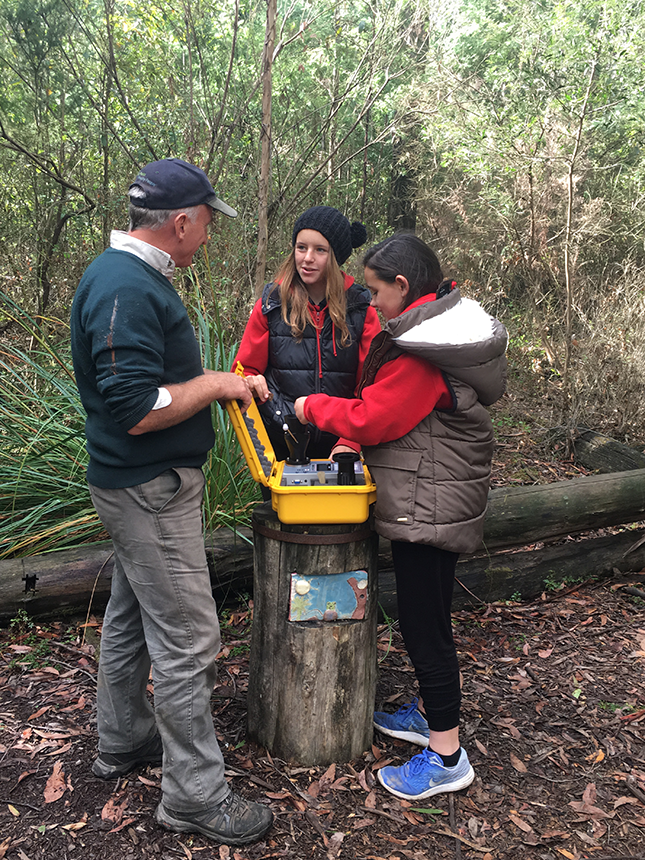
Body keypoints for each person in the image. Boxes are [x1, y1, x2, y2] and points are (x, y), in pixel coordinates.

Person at [70, 158, 273, 846]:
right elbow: (132, 408)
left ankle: (124, 738)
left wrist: (219, 382)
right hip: (148, 490)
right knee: (188, 637)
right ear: (181, 222)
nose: (208, 237)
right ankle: (193, 796)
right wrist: (216, 384)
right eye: (208, 224)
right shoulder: (124, 288)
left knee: (132, 615)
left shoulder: (127, 279)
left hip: (142, 489)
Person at [294, 234, 507, 801]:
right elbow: (395, 417)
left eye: (376, 289)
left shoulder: (422, 352)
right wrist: (348, 442)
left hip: (428, 505)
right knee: (427, 615)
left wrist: (310, 406)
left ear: (403, 287)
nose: (372, 301)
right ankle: (429, 715)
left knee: (423, 623)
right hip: (430, 496)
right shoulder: (433, 336)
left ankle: (446, 755)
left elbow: (378, 415)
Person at [234, 206, 381, 460]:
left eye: (320, 250)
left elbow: (372, 386)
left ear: (335, 257)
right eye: (301, 247)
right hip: (281, 443)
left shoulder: (361, 308)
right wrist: (250, 381)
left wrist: (351, 441)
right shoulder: (272, 303)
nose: (308, 258)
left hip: (343, 447)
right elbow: (244, 370)